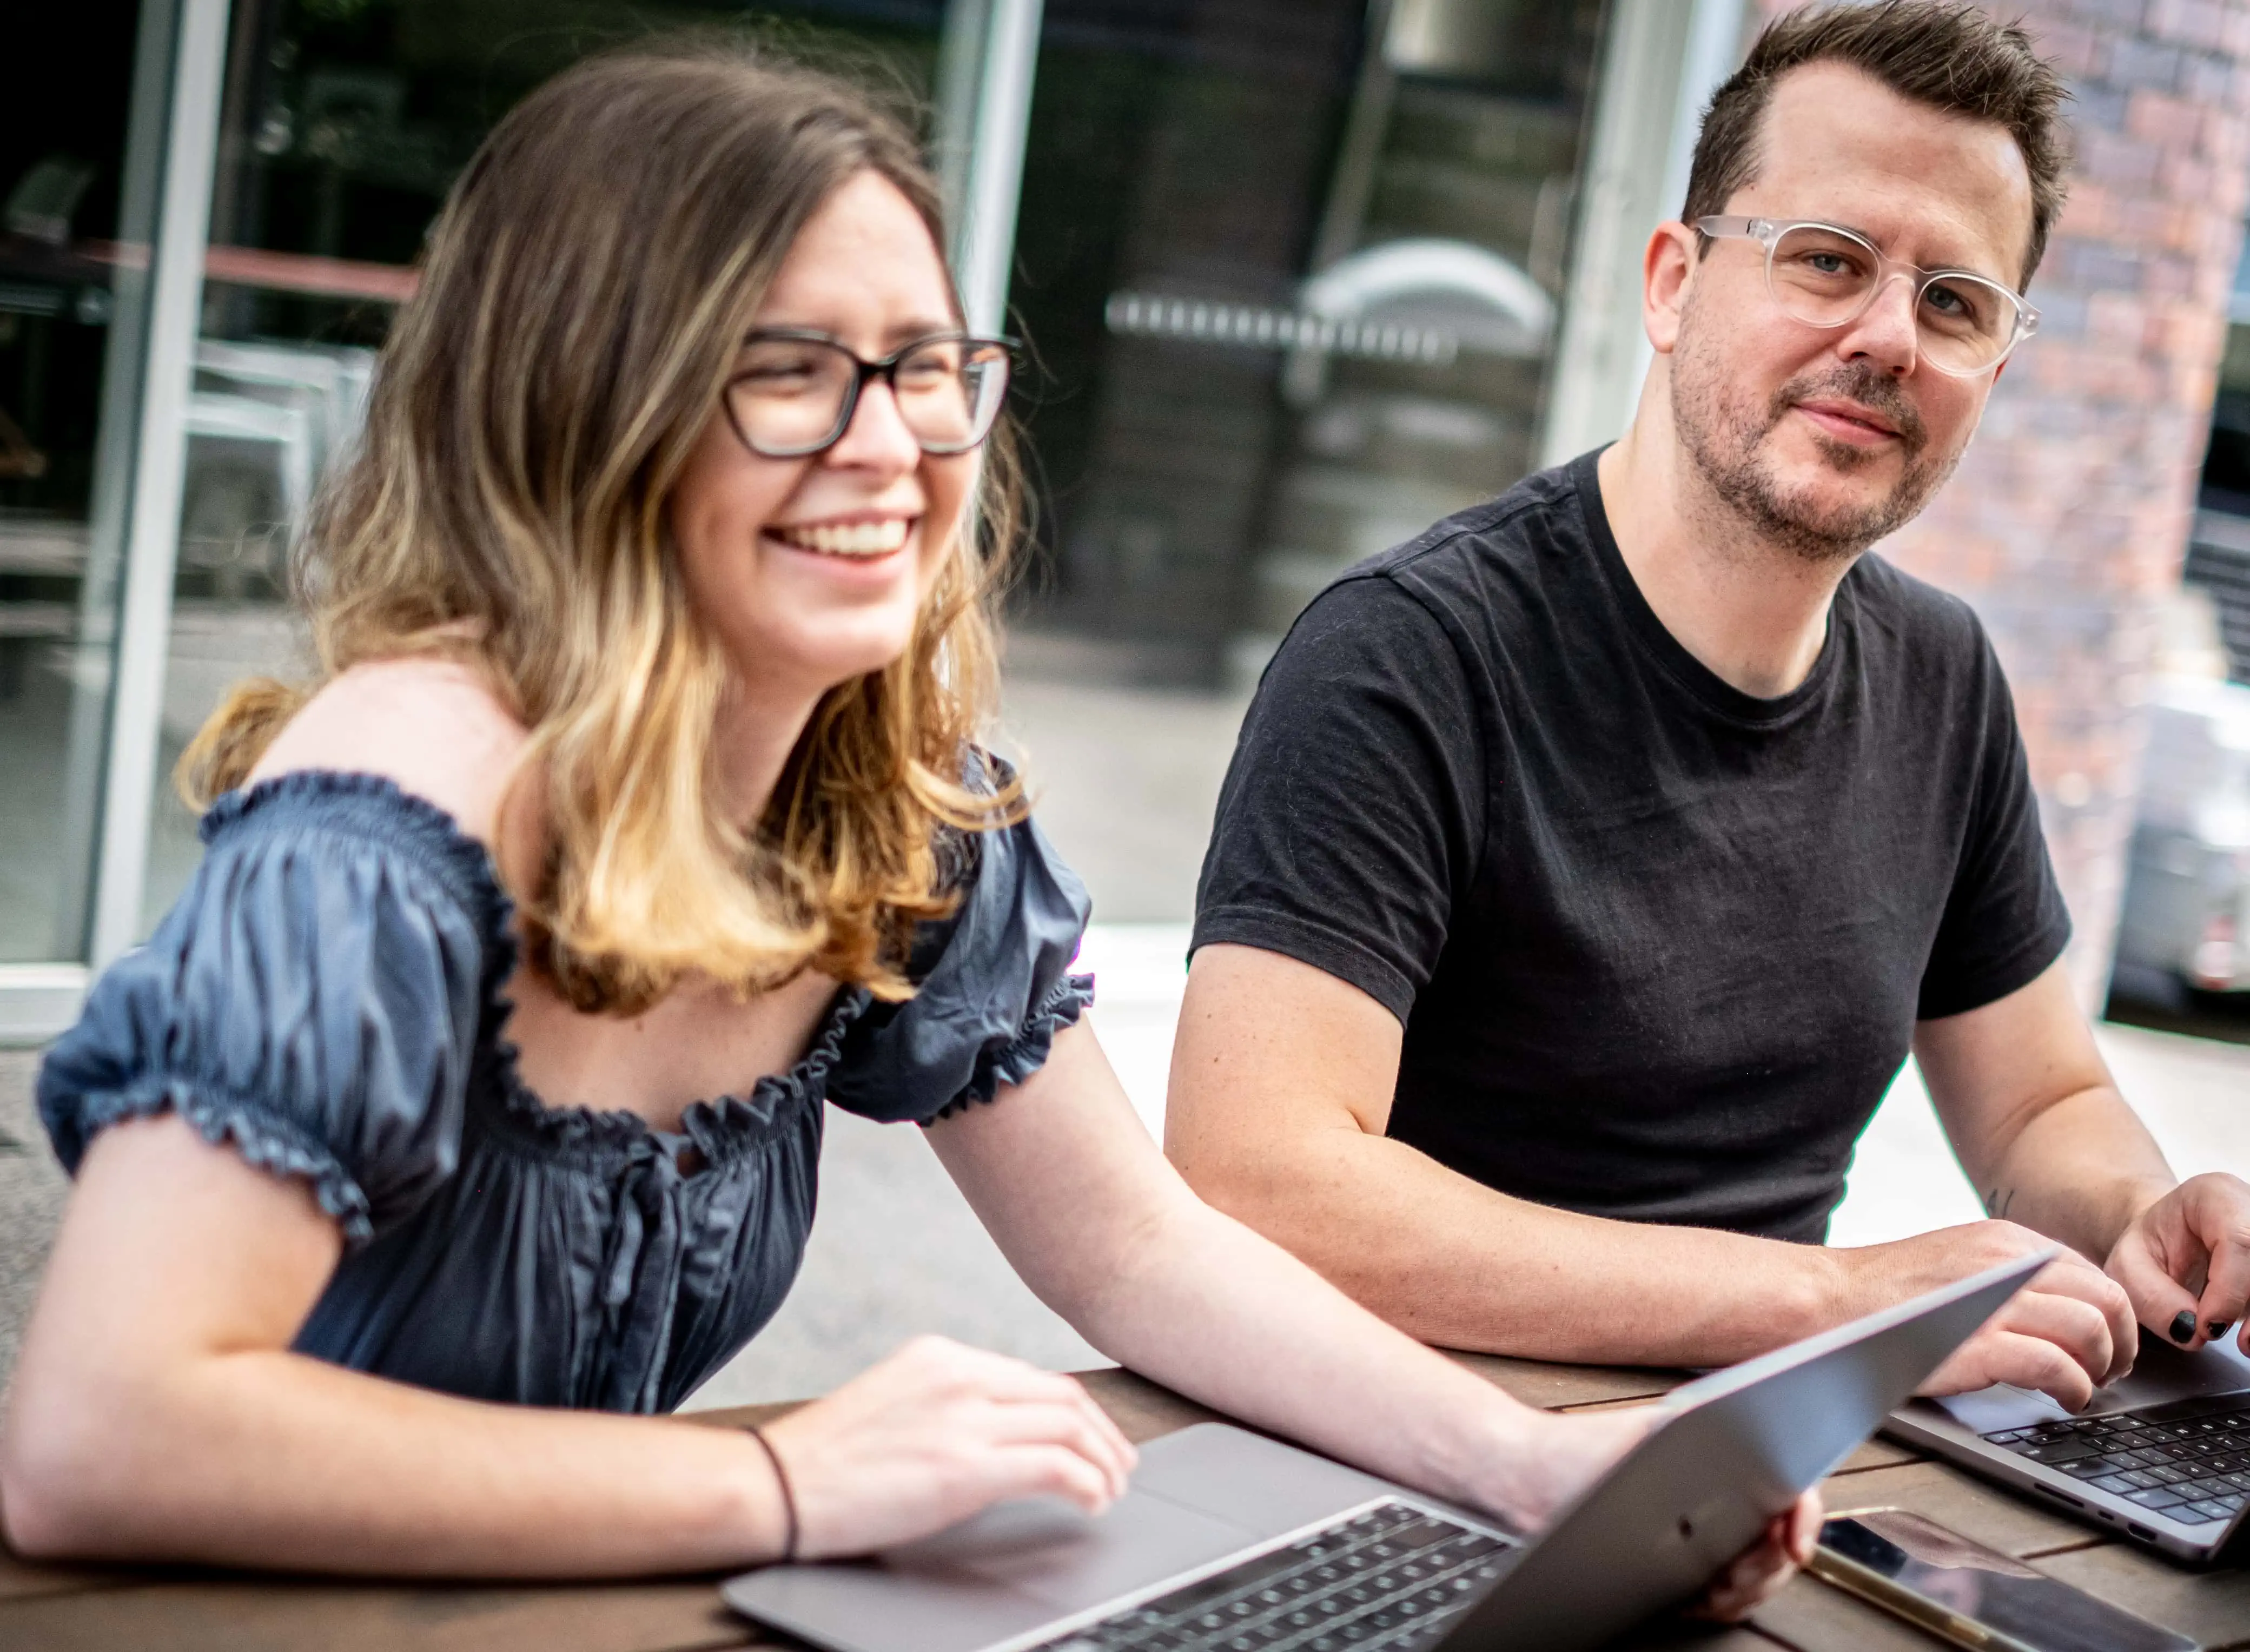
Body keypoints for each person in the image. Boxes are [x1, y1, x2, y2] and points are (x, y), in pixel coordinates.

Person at [0, 47, 1810, 1610]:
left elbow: (1137, 1253)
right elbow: (97, 1434)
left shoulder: (882, 801)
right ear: (582, 411)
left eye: (928, 361)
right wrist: (793, 1478)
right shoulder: (387, 834)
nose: (895, 444)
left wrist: (1526, 1473)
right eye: (791, 369)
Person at [1168, 0, 2250, 1410]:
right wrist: (1830, 1301)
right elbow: (1255, 1177)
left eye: (1955, 302)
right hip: (1408, 1439)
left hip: (1754, 1444)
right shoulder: (1407, 655)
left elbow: (2043, 1101)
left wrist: (2137, 1213)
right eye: (1827, 259)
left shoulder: (1945, 679)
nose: (1886, 336)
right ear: (1673, 281)